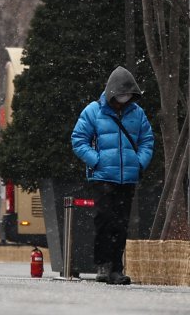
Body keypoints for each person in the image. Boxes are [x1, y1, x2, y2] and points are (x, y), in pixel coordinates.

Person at [72, 66, 155, 285]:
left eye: (127, 96)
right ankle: (103, 264)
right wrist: (96, 160)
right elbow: (78, 140)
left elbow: (147, 139)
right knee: (104, 220)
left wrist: (139, 163)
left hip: (127, 177)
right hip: (102, 177)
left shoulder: (137, 113)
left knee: (121, 223)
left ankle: (116, 268)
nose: (123, 100)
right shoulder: (93, 111)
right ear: (111, 93)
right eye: (120, 96)